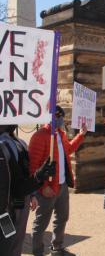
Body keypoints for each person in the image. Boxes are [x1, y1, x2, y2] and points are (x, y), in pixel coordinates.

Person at [29, 105, 87, 256]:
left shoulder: (60, 134)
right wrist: (43, 186)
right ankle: (37, 252)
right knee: (41, 223)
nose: (60, 119)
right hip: (47, 188)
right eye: (57, 116)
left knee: (62, 218)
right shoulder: (40, 136)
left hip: (62, 185)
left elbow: (67, 150)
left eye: (61, 116)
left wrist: (80, 135)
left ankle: (57, 248)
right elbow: (33, 165)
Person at [0, 125, 56, 256]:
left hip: (5, 217)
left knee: (10, 247)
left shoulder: (4, 149)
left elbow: (18, 188)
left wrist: (38, 177)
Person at [0, 126, 39, 256]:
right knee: (7, 237)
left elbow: (27, 170)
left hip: (23, 195)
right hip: (7, 202)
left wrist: (32, 194)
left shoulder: (20, 142)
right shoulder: (2, 144)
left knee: (19, 237)